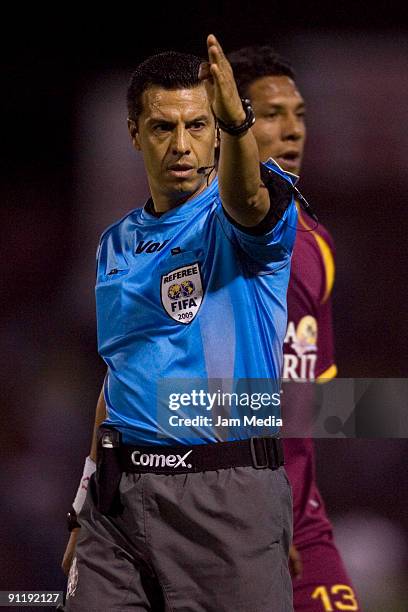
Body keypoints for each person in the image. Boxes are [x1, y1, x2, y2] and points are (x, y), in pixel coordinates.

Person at [62, 35, 298, 611]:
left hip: (226, 498)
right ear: (134, 133)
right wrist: (82, 502)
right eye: (164, 128)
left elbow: (246, 198)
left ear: (216, 131)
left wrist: (239, 125)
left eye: (198, 125)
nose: (182, 145)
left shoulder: (237, 216)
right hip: (117, 501)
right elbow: (118, 373)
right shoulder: (114, 242)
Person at [229, 45, 361, 611]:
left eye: (300, 115)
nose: (292, 131)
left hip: (300, 526)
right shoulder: (209, 237)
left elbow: (302, 403)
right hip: (221, 523)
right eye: (270, 115)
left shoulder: (319, 245)